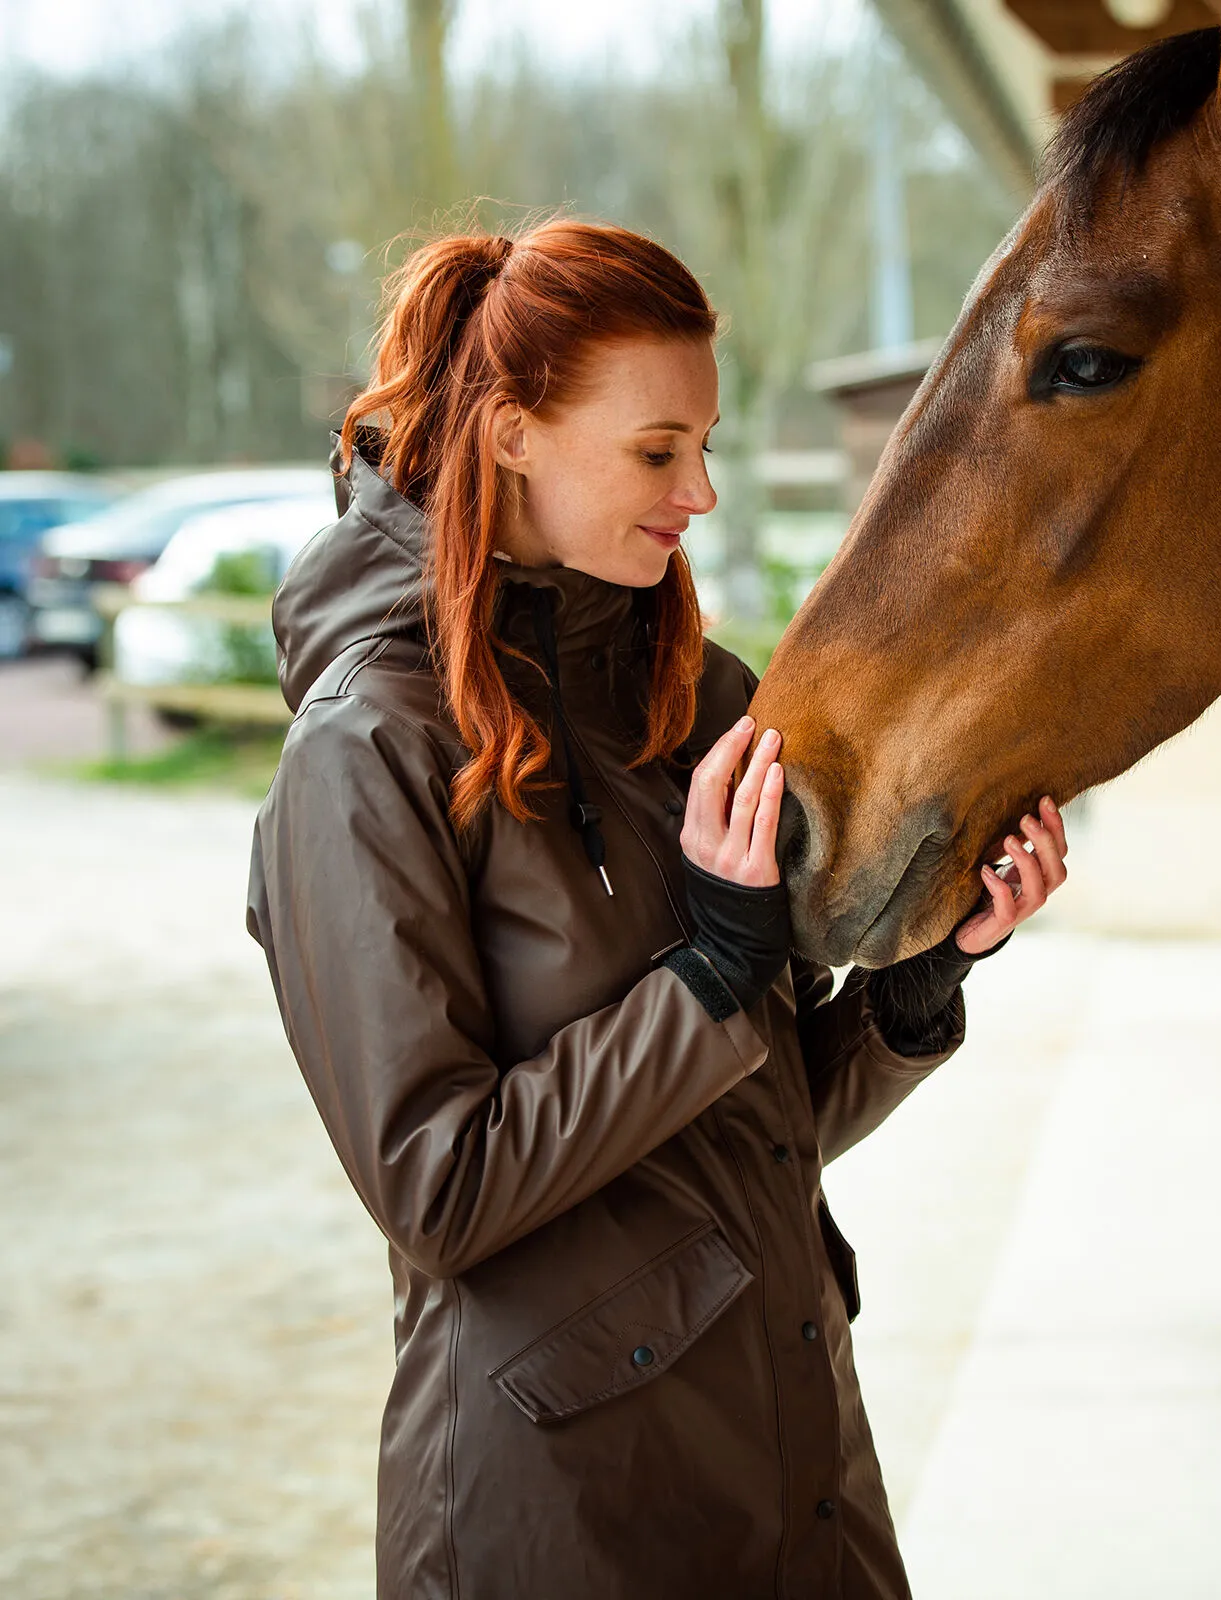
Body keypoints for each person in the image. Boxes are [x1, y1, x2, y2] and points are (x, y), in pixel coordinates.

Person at [245, 219, 1068, 1599]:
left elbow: (766, 1126)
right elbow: (439, 1191)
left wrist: (922, 984)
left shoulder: (702, 699)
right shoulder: (366, 751)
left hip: (797, 1458)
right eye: (654, 451)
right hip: (563, 1510)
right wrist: (708, 970)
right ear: (511, 433)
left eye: (704, 443)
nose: (699, 491)